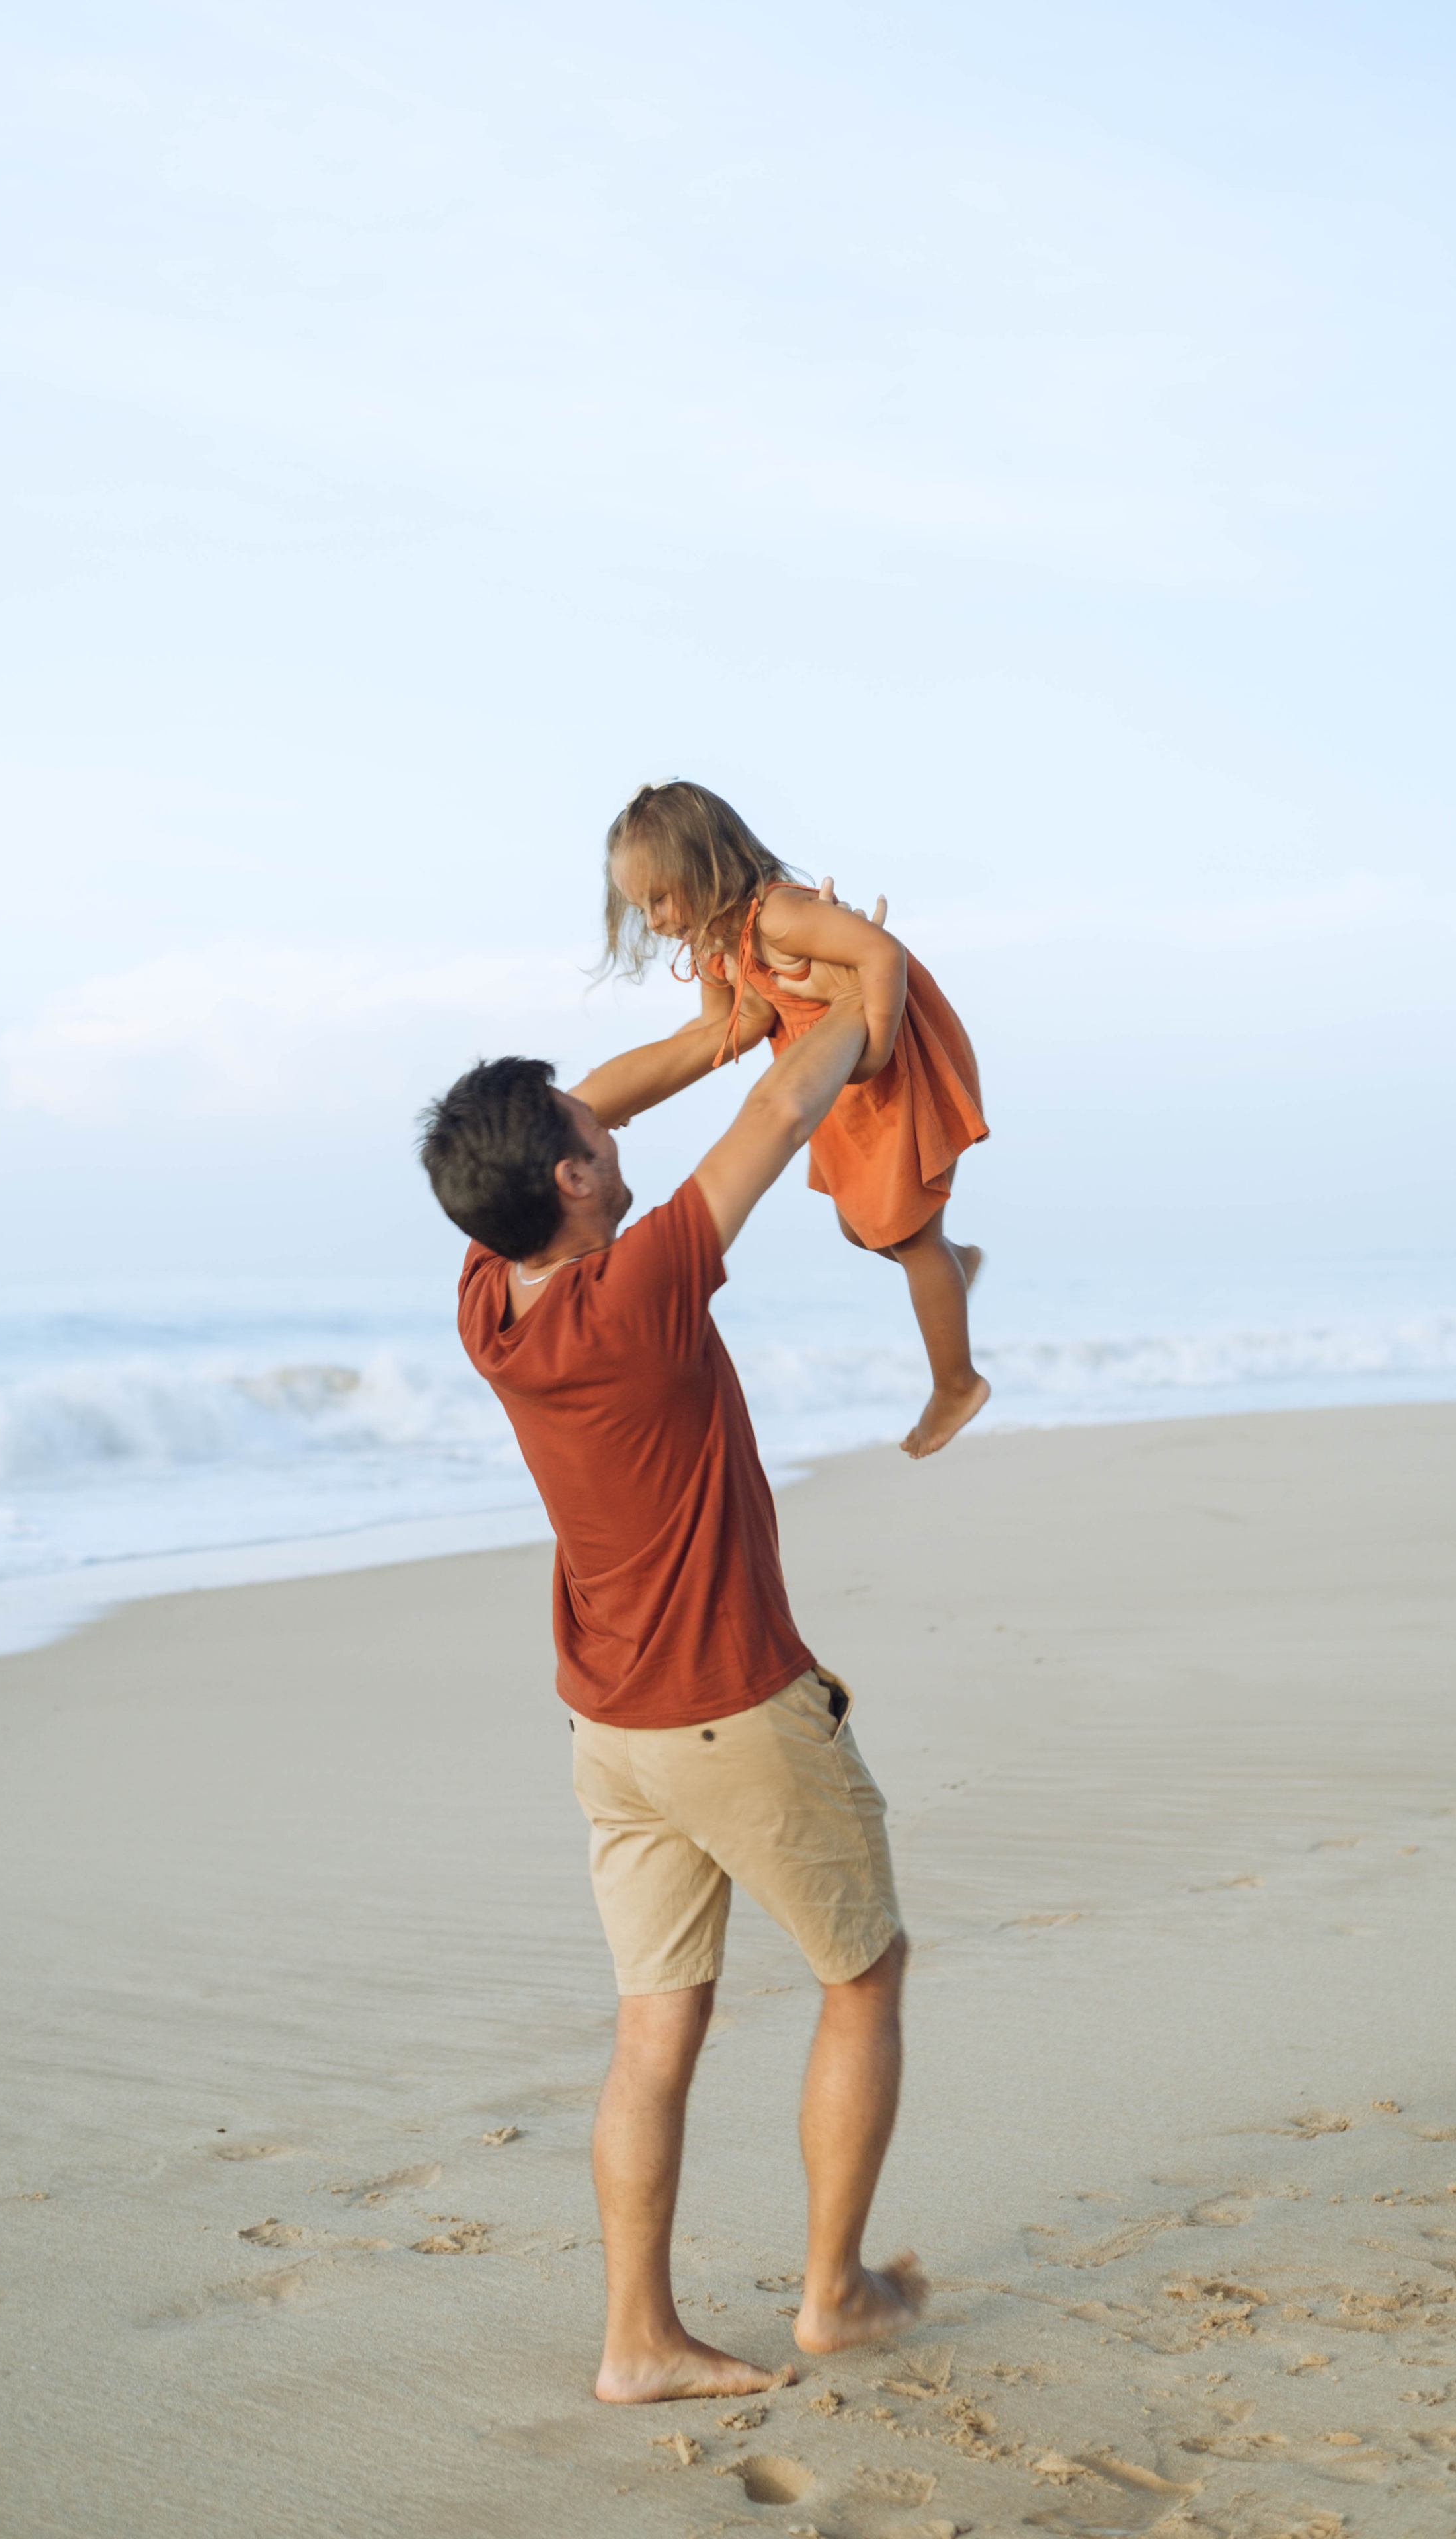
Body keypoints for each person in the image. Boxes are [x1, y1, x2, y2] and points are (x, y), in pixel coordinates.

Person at [419, 956, 925, 2404]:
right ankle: (830, 2295)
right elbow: (777, 1118)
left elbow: (601, 1109)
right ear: (573, 1185)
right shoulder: (638, 1292)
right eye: (596, 1144)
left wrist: (720, 1025)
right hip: (730, 1712)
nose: (615, 1139)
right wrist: (846, 1005)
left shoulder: (490, 1296)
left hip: (608, 1730)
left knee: (656, 2028)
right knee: (864, 1975)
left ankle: (635, 2344)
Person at [602, 778, 991, 1459]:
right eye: (642, 906)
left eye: (661, 897)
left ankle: (955, 1384)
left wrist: (874, 1042)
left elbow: (883, 953)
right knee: (860, 1227)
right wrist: (624, 1100)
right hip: (835, 1085)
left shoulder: (779, 916)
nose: (656, 919)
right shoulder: (721, 946)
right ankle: (955, 1264)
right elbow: (727, 1029)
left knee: (910, 1234)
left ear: (708, 866)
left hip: (887, 1071)